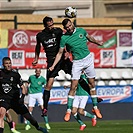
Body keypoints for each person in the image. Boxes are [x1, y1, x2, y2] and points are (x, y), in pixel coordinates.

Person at [49, 18, 103, 121]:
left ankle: (96, 108)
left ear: (72, 24)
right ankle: (68, 111)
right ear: (64, 28)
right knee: (73, 86)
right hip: (77, 62)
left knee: (92, 84)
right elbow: (60, 53)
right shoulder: (64, 38)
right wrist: (53, 65)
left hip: (88, 59)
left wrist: (97, 43)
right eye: (66, 27)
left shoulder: (81, 31)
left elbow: (90, 38)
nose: (69, 28)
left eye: (69, 25)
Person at [32, 16, 72, 117]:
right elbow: (38, 47)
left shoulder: (58, 31)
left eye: (52, 24)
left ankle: (92, 95)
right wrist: (36, 58)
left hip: (63, 59)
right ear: (45, 26)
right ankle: (45, 108)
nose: (51, 27)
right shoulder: (40, 35)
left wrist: (68, 52)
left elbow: (66, 40)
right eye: (49, 26)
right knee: (48, 85)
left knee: (77, 75)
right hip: (51, 60)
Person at [0, 57, 48, 133]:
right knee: (1, 114)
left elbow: (23, 87)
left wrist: (22, 98)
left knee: (29, 117)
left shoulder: (15, 75)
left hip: (15, 100)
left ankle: (38, 127)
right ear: (3, 65)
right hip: (4, 99)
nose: (9, 65)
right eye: (6, 63)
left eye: (10, 63)